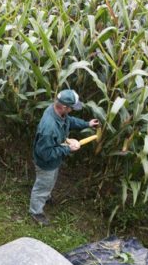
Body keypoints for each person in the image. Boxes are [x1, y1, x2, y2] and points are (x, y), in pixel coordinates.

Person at [29, 89, 99, 225]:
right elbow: (45, 154)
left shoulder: (57, 111)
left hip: (54, 160)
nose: (72, 110)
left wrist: (87, 124)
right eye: (72, 107)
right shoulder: (48, 128)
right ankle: (36, 211)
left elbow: (70, 121)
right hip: (46, 162)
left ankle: (46, 196)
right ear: (65, 107)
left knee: (51, 180)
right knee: (42, 185)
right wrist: (68, 148)